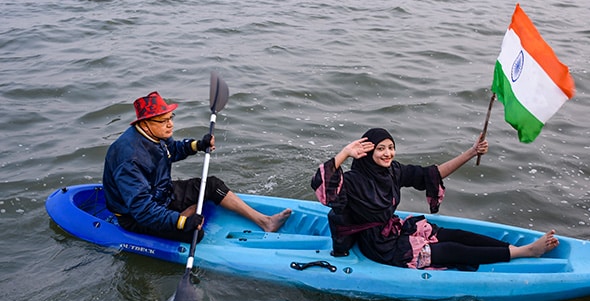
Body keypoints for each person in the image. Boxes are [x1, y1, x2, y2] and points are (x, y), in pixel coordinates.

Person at [311, 127, 558, 270]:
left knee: (456, 234)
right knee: (451, 250)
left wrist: (471, 153)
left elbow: (432, 174)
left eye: (391, 147)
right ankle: (526, 251)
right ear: (366, 152)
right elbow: (324, 188)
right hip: (380, 246)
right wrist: (345, 153)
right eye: (381, 149)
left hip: (396, 230)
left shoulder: (392, 171)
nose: (388, 153)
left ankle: (510, 249)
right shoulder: (354, 180)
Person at [103, 91, 291, 243]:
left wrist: (197, 145)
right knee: (194, 234)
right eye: (164, 120)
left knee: (212, 185)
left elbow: (172, 151)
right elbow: (142, 210)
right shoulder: (129, 158)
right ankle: (182, 214)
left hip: (163, 193)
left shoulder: (156, 134)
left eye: (171, 117)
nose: (171, 124)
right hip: (136, 216)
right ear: (144, 123)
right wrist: (182, 222)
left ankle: (265, 221)